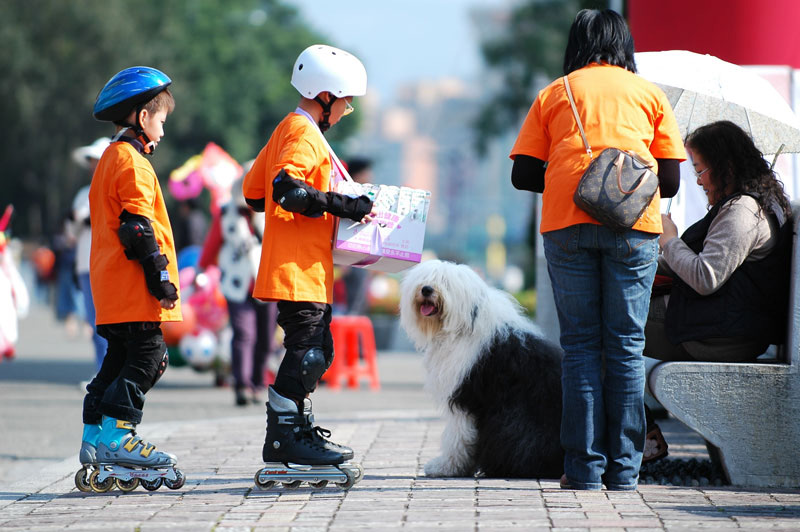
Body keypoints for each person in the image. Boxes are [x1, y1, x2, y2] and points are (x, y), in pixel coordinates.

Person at [509, 9, 686, 490]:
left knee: (581, 348)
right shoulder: (648, 94)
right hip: (634, 229)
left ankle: (583, 470)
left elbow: (522, 175)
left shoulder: (555, 92)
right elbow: (668, 181)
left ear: (578, 44)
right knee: (628, 348)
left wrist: (574, 170)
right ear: (623, 44)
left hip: (566, 226)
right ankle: (625, 470)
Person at [243, 44, 373, 485]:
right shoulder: (302, 135)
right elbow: (284, 190)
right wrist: (345, 205)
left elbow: (252, 192)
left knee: (314, 351)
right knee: (309, 353)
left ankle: (293, 432)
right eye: (345, 101)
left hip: (302, 266)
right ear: (325, 95)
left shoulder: (288, 129)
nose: (348, 109)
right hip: (297, 269)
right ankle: (284, 440)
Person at [642, 120, 793, 462]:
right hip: (720, 323)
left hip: (719, 334)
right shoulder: (743, 205)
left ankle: (641, 437)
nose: (696, 180)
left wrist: (669, 241)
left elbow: (706, 275)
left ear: (724, 166)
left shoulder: (743, 212)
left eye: (699, 169)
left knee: (609, 329)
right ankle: (641, 435)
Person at [76, 66, 185, 492]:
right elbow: (137, 227)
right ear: (142, 117)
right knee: (149, 357)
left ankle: (95, 436)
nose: (162, 128)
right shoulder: (132, 162)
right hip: (133, 287)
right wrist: (160, 278)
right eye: (161, 119)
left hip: (110, 289)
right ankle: (119, 435)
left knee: (118, 361)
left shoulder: (109, 158)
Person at [199, 175, 278, 406]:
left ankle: (257, 383)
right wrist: (201, 271)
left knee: (266, 338)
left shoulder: (273, 212)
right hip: (237, 283)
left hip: (268, 282)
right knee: (244, 334)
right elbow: (212, 244)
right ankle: (242, 385)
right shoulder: (226, 214)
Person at [71, 138, 111, 372]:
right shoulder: (83, 193)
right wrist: (77, 221)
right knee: (94, 322)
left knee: (108, 323)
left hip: (107, 265)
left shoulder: (112, 189)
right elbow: (71, 232)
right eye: (91, 162)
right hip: (86, 264)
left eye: (96, 161)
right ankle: (101, 371)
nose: (92, 166)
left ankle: (109, 373)